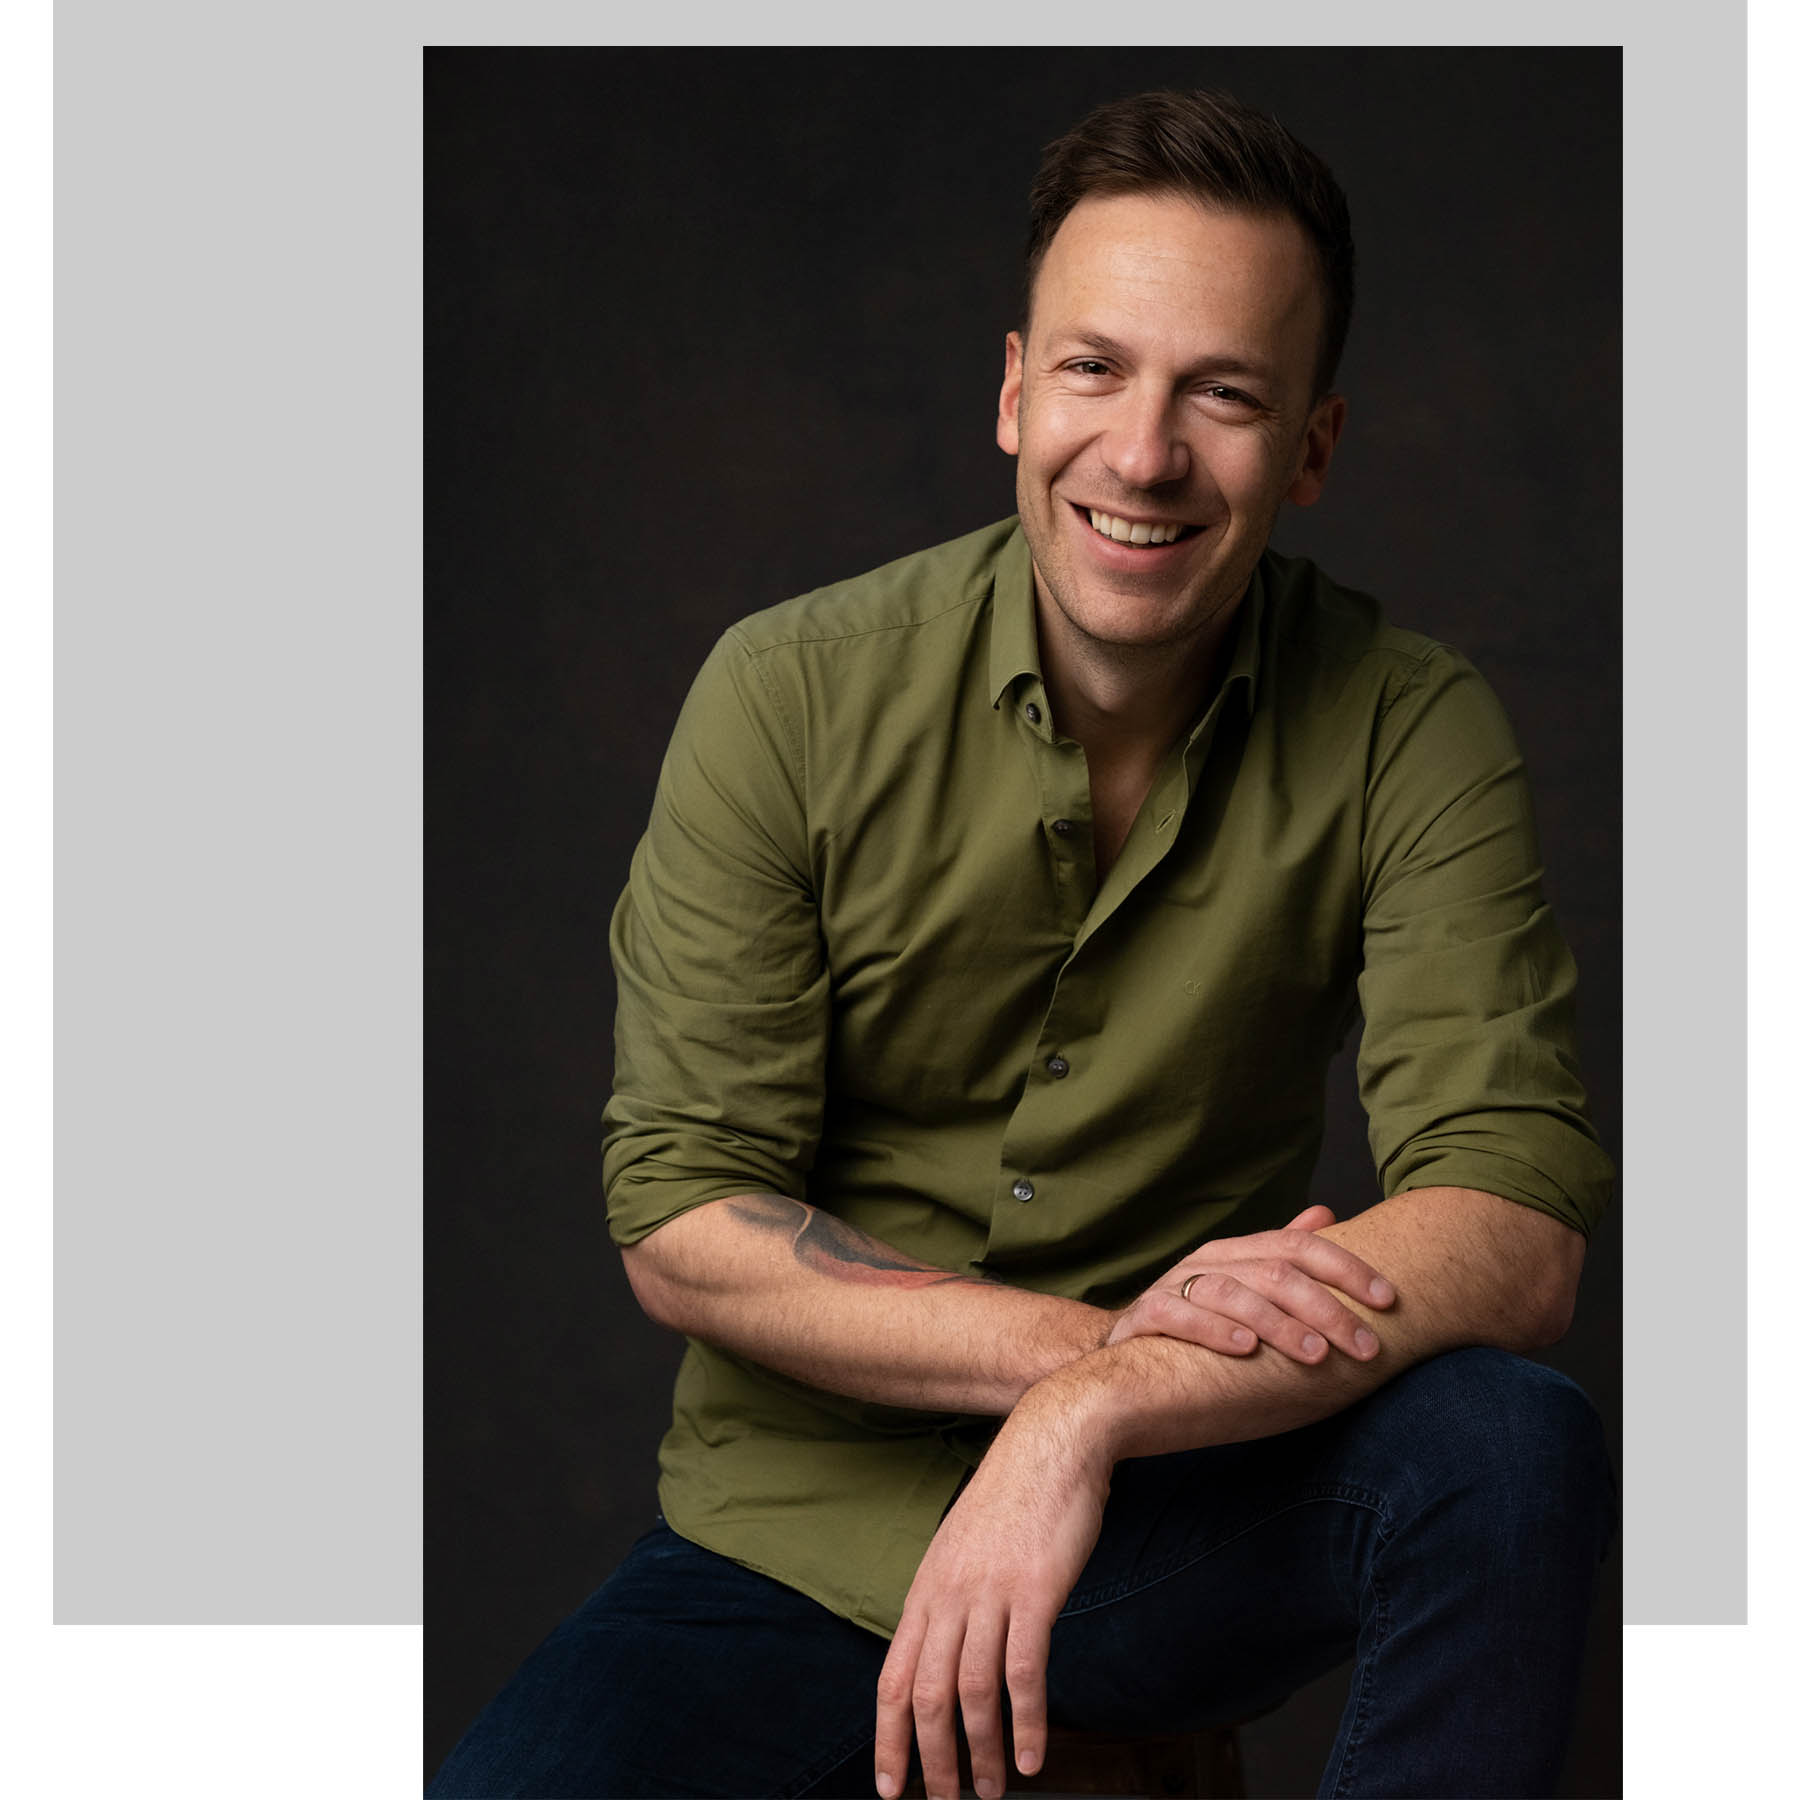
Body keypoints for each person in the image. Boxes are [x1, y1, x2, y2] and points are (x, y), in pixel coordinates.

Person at [429, 87, 1617, 1800]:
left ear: (1314, 445)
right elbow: (688, 1219)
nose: (1143, 454)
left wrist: (1108, 1419)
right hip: (790, 1540)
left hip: (1171, 1511)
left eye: (1223, 393)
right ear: (1011, 390)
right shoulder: (790, 693)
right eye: (1094, 370)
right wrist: (1090, 1352)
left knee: (1510, 1448)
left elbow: (1514, 1222)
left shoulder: (1410, 724)